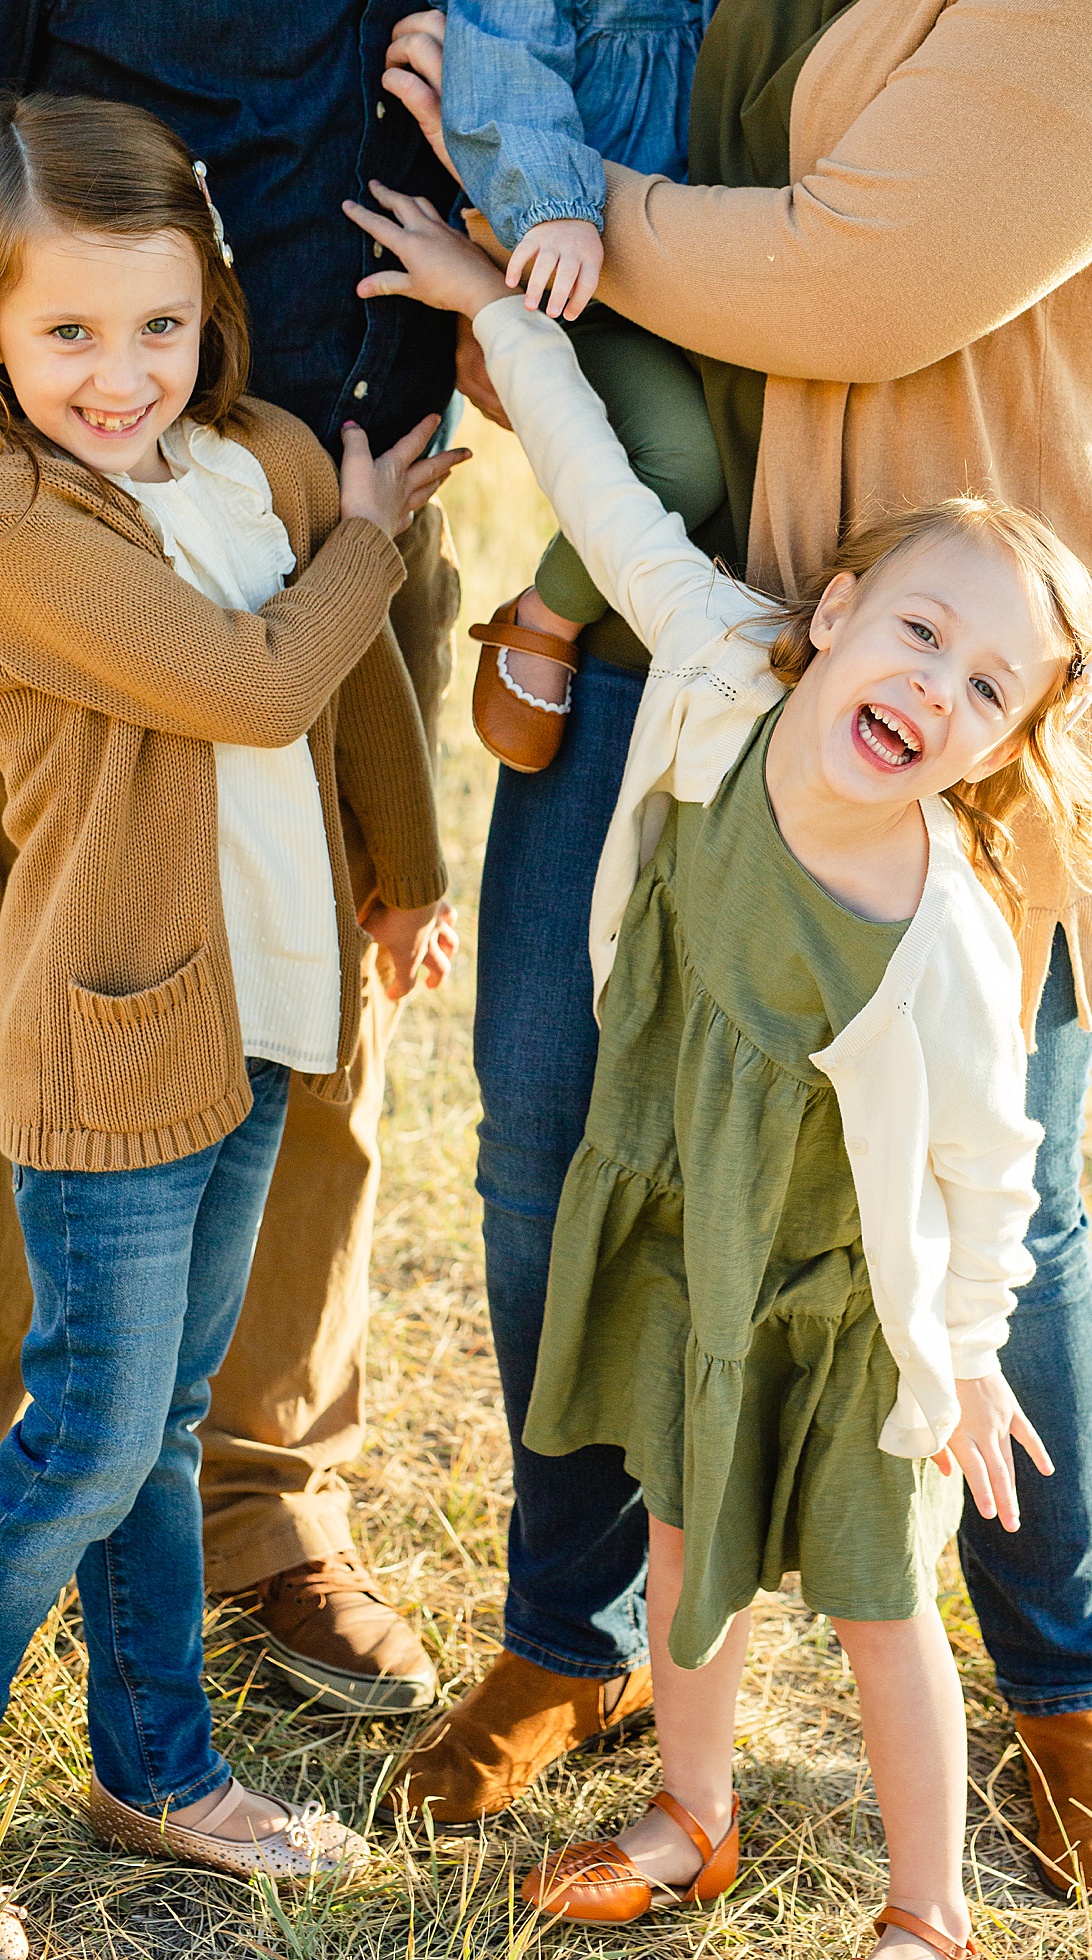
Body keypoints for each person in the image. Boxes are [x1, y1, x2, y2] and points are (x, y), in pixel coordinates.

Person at [382, 0, 1092, 1898]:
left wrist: (536, 218)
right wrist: (508, 185)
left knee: (983, 1201)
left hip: (966, 689)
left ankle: (1063, 1686)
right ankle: (569, 1633)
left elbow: (864, 263)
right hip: (709, 630)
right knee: (566, 1132)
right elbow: (633, 40)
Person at [340, 181, 1092, 1956]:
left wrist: (972, 1347)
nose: (936, 686)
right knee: (684, 1551)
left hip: (838, 1305)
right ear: (833, 610)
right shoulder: (715, 671)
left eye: (988, 689)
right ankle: (696, 1811)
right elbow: (606, 495)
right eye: (921, 629)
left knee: (875, 1605)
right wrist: (494, 303)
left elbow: (997, 1167)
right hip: (696, 1242)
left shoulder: (946, 928)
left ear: (997, 746)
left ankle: (928, 1914)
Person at [0, 0, 540, 1714]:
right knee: (70, 1018)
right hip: (74, 575)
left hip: (358, 532)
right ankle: (62, 1457)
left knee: (321, 1037)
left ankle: (262, 1512)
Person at [0, 92, 460, 1907]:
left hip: (270, 1012)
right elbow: (261, 677)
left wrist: (408, 878)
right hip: (111, 1027)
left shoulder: (259, 460)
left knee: (167, 1426)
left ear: (212, 306)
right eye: (66, 333)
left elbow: (362, 704)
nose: (120, 378)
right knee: (90, 1435)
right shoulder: (30, 530)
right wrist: (376, 541)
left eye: (159, 326)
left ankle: (160, 1771)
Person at [437, 0, 771, 768]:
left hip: (694, 289)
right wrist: (558, 210)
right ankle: (545, 617)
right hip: (584, 284)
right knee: (680, 465)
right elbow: (506, 90)